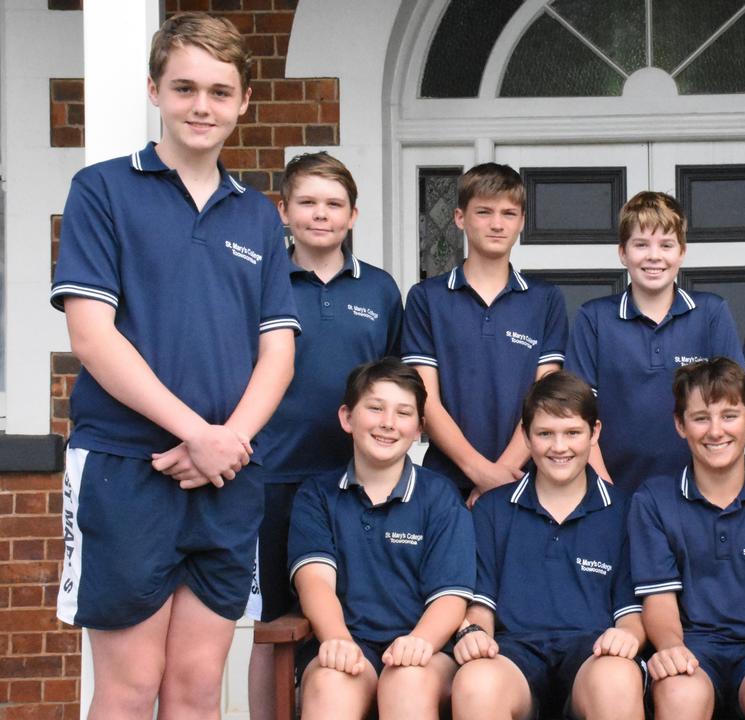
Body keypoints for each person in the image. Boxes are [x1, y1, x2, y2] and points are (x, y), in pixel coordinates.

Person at [50, 13, 298, 718]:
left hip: (226, 476)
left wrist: (227, 445)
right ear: (154, 89)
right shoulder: (102, 191)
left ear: (244, 102)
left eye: (220, 92)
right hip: (130, 470)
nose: (202, 106)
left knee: (195, 693)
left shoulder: (256, 216)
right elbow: (93, 339)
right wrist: (198, 433)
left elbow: (277, 353)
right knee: (129, 690)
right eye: (185, 87)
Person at [246, 152, 404, 719]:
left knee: (351, 617)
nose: (321, 215)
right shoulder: (262, 281)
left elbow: (393, 385)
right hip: (274, 476)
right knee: (276, 622)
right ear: (283, 211)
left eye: (334, 204)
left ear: (354, 214)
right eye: (307, 203)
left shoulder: (382, 290)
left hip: (359, 483)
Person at [450, 371, 646, 720]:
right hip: (513, 654)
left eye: (572, 433)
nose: (559, 447)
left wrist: (628, 637)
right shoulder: (492, 509)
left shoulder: (626, 510)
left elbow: (633, 615)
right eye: (545, 434)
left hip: (594, 652)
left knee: (616, 676)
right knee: (475, 681)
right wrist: (474, 633)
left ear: (594, 433)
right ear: (526, 436)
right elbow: (480, 608)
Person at [289, 358, 474, 720]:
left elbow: (450, 597)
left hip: (424, 649)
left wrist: (420, 642)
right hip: (347, 641)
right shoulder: (316, 496)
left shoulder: (440, 496)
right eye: (375, 408)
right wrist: (337, 639)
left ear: (420, 428)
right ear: (347, 417)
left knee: (406, 682)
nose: (388, 423)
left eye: (403, 413)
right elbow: (315, 582)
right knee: (330, 684)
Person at [629, 358, 745, 720]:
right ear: (680, 424)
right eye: (700, 418)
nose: (715, 431)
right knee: (680, 690)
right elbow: (660, 604)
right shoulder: (653, 501)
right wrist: (671, 647)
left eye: (729, 415)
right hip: (692, 649)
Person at [402, 163, 568, 505]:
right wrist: (479, 471)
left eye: (509, 213)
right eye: (484, 212)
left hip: (526, 480)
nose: (497, 223)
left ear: (522, 221)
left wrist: (500, 475)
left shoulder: (545, 300)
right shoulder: (426, 298)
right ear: (460, 218)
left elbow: (546, 399)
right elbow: (425, 399)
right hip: (446, 483)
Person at [566, 191, 744, 490]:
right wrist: (607, 495)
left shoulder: (711, 313)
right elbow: (576, 416)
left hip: (699, 494)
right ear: (622, 252)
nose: (654, 256)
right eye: (640, 245)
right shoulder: (594, 319)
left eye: (666, 245)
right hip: (615, 491)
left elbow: (735, 410)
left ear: (682, 252)